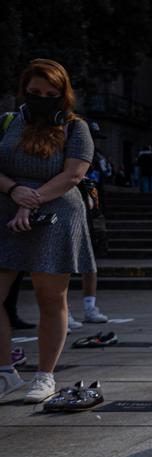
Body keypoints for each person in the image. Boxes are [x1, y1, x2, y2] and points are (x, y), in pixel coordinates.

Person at [0, 59, 95, 403]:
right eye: (34, 92)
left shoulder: (75, 127)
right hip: (7, 212)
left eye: (50, 94)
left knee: (50, 297)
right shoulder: (7, 123)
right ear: (23, 90)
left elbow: (73, 175)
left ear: (62, 94)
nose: (42, 98)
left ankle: (44, 376)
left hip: (56, 214)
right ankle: (5, 373)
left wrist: (30, 200)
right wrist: (13, 191)